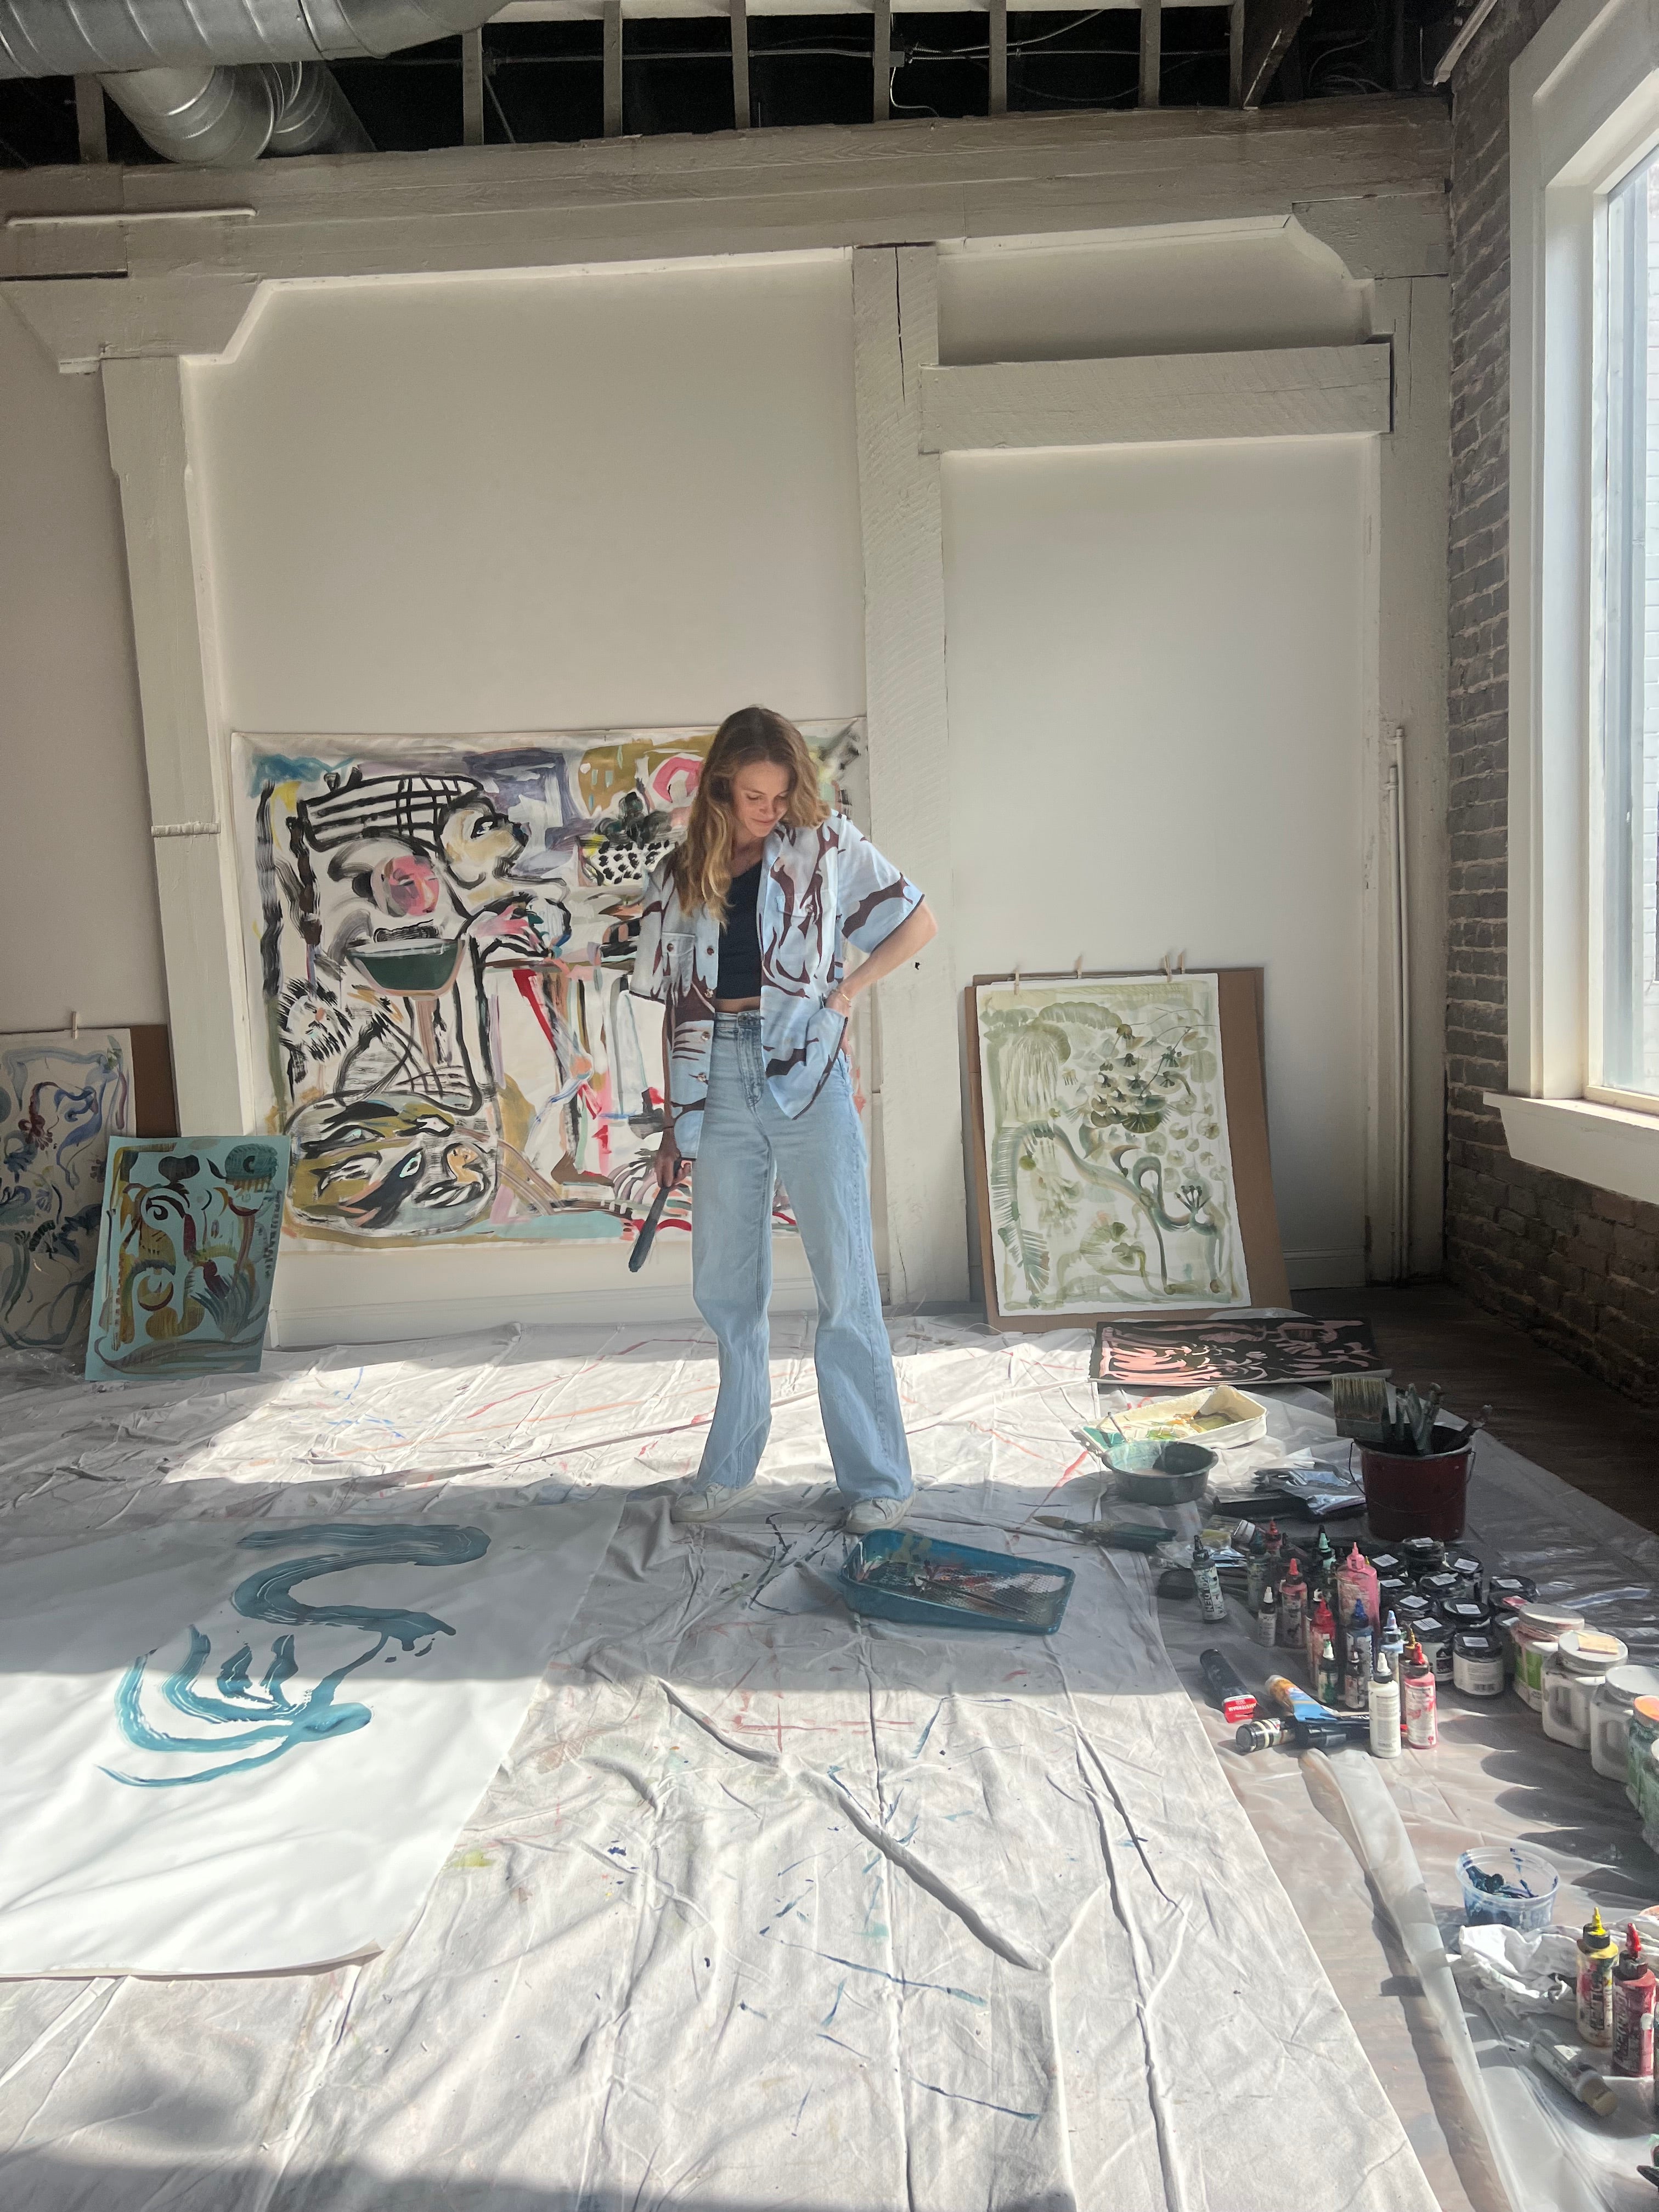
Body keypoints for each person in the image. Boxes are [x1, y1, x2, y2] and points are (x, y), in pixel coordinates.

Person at [630, 706, 938, 1532]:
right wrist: (673, 1126)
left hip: (809, 1072)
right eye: (752, 795)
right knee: (727, 1288)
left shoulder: (827, 846)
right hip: (718, 1085)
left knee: (846, 1282)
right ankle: (730, 1469)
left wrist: (844, 995)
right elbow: (674, 1006)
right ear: (722, 789)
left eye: (779, 794)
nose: (768, 810)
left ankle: (878, 1482)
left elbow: (918, 923)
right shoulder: (682, 872)